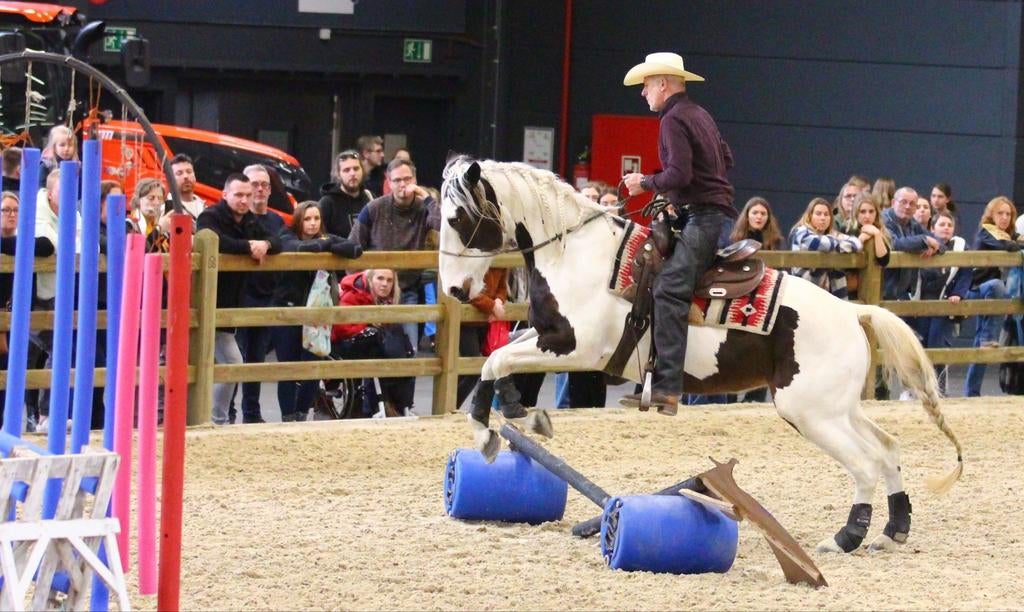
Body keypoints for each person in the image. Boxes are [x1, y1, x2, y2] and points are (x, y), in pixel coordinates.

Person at [619, 52, 736, 413]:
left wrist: (645, 183)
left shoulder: (672, 120)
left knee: (668, 289)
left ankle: (668, 388)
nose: (643, 94)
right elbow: (725, 160)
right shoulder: (700, 115)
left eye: (646, 86)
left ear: (663, 84)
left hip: (704, 218)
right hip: (708, 213)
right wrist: (678, 198)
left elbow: (680, 175)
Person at [196, 173, 282, 425]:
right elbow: (213, 241)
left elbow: (278, 240)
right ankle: (209, 418)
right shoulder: (210, 216)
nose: (244, 200)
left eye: (247, 195)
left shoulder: (251, 221)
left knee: (230, 364)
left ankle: (215, 420)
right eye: (239, 195)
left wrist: (265, 244)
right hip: (202, 302)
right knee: (220, 363)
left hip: (229, 306)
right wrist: (249, 247)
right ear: (225, 194)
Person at [273, 200, 362, 421]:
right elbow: (300, 249)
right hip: (289, 310)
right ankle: (287, 415)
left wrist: (327, 242)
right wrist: (327, 244)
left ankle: (303, 412)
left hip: (316, 313)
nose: (312, 224)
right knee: (288, 367)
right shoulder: (286, 236)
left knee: (313, 365)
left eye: (316, 219)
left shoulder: (325, 238)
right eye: (307, 219)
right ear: (298, 220)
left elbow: (355, 249)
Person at [349, 158, 441, 353]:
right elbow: (353, 245)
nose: (403, 185)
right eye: (397, 180)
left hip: (408, 289)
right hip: (374, 291)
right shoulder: (374, 208)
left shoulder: (423, 209)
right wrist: (361, 285)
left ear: (415, 180)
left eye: (407, 179)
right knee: (371, 351)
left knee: (410, 351)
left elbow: (445, 226)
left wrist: (427, 198)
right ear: (388, 183)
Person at [229, 164, 286, 424]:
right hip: (239, 299)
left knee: (257, 359)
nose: (260, 189)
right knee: (234, 359)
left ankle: (251, 413)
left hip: (267, 297)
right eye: (255, 184)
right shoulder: (235, 219)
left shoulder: (276, 220)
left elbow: (283, 243)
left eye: (265, 185)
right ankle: (228, 412)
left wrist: (268, 245)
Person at [0, 191, 54, 430]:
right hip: (6, 313)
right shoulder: (18, 242)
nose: (11, 215)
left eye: (15, 210)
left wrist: (17, 245)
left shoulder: (22, 239)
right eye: (5, 210)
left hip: (16, 315)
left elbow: (46, 246)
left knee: (13, 370)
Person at [331, 268, 415, 416]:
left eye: (389, 280)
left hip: (375, 342)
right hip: (346, 343)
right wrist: (368, 322)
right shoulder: (354, 293)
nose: (385, 284)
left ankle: (403, 404)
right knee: (377, 343)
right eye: (380, 279)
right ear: (370, 280)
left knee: (405, 347)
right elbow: (341, 328)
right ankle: (376, 405)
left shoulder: (389, 301)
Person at [964, 196, 1023, 397]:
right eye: (1000, 213)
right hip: (975, 288)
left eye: (1008, 214)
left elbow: (1016, 241)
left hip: (990, 294)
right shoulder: (987, 229)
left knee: (979, 342)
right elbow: (1009, 246)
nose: (1005, 217)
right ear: (991, 215)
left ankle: (971, 392)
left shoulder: (1008, 233)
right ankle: (989, 337)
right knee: (998, 285)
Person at [912, 211, 970, 395]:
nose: (946, 228)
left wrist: (958, 294)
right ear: (932, 227)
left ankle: (940, 390)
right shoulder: (922, 244)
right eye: (942, 224)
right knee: (919, 346)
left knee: (938, 346)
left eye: (949, 225)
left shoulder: (960, 247)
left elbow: (965, 274)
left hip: (944, 303)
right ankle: (917, 389)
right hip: (921, 302)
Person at [789, 197, 862, 299]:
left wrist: (835, 244)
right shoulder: (800, 232)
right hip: (805, 292)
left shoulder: (832, 234)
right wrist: (839, 245)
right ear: (810, 216)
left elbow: (856, 243)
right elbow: (821, 244)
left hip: (830, 292)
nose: (823, 218)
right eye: (818, 214)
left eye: (826, 214)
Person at [882, 187, 943, 301]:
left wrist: (933, 247)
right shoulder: (883, 220)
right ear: (893, 203)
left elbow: (941, 244)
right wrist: (924, 240)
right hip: (882, 288)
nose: (907, 207)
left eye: (912, 204)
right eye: (903, 202)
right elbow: (895, 244)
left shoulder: (912, 223)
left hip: (903, 292)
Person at [847, 192, 891, 300]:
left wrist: (877, 234)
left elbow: (883, 260)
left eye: (871, 211)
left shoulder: (882, 232)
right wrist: (860, 240)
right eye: (863, 212)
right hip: (851, 291)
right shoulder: (847, 230)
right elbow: (847, 263)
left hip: (875, 289)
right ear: (856, 213)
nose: (867, 216)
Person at [318, 149, 371, 239]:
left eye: (356, 168)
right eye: (346, 170)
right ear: (338, 174)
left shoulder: (369, 198)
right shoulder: (327, 203)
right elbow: (320, 236)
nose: (352, 173)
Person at [162, 154, 205, 231]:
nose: (186, 176)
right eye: (179, 173)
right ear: (170, 179)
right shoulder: (164, 207)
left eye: (189, 172)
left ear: (194, 176)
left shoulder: (205, 208)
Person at [129, 178, 169, 253]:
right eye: (151, 198)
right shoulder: (129, 225)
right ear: (138, 200)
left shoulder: (164, 225)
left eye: (160, 198)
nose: (157, 203)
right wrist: (158, 230)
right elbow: (141, 252)